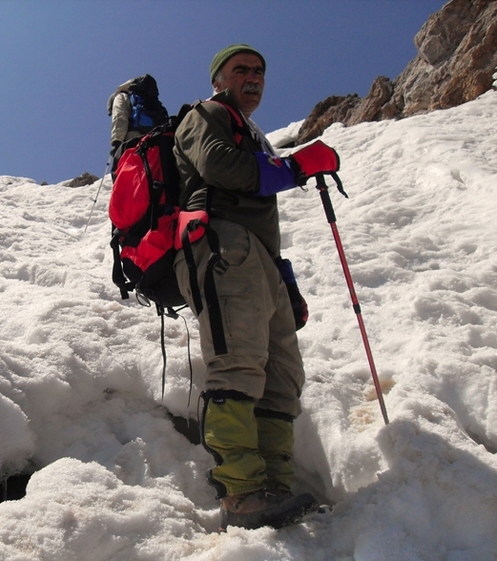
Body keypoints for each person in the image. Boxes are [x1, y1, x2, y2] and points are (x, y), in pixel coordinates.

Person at [172, 44, 340, 531]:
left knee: (281, 378)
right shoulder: (207, 114)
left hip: (257, 260)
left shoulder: (251, 132)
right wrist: (296, 167)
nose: (253, 77)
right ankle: (242, 497)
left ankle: (276, 490)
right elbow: (222, 167)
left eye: (260, 71)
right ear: (218, 80)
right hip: (221, 245)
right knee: (239, 366)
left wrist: (283, 283)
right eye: (240, 69)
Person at [107, 74, 169, 155]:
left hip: (135, 141)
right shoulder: (147, 99)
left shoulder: (121, 96)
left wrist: (116, 142)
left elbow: (119, 117)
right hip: (158, 141)